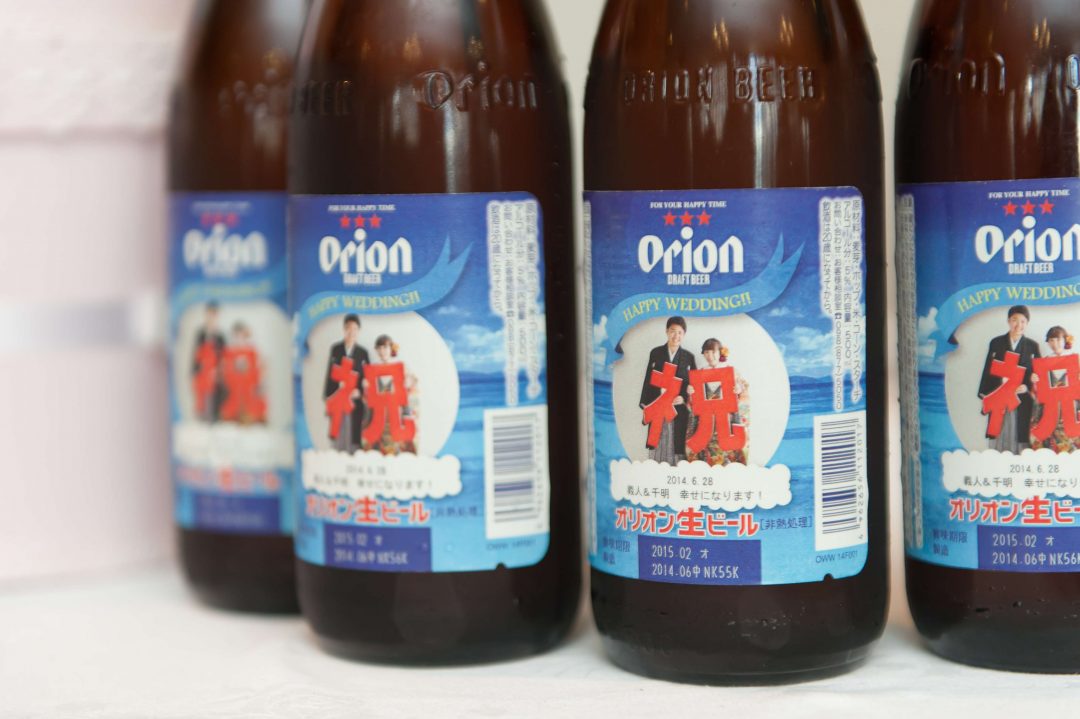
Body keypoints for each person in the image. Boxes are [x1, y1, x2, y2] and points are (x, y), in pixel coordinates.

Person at [978, 305, 1040, 453]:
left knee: (1021, 437)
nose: (1018, 325)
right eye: (1014, 320)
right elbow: (988, 370)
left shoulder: (1032, 346)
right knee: (998, 432)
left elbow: (1038, 376)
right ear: (1008, 321)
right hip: (1000, 396)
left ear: (1027, 323)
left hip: (1022, 399)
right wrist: (985, 393)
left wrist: (1028, 386)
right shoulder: (996, 343)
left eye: (1023, 321)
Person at [639, 316, 696, 464]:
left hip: (678, 408)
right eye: (673, 331)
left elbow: (694, 385)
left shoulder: (689, 357)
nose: (676, 336)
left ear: (684, 334)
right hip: (658, 405)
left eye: (680, 332)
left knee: (677, 446)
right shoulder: (656, 353)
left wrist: (684, 397)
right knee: (657, 441)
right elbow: (648, 378)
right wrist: (645, 403)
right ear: (666, 331)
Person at [687, 338, 749, 466]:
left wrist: (739, 389)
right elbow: (693, 402)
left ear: (720, 352)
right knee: (707, 453)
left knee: (729, 450)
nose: (710, 356)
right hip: (707, 420)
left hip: (727, 419)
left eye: (713, 352)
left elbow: (745, 388)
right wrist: (690, 392)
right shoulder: (700, 373)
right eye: (706, 352)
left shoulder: (731, 371)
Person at [363, 334, 418, 455]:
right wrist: (366, 387)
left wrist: (409, 382)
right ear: (376, 350)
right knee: (378, 443)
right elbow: (368, 393)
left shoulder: (401, 366)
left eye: (385, 347)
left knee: (398, 442)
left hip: (396, 410)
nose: (382, 351)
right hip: (380, 411)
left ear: (391, 348)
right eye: (380, 348)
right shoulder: (373, 368)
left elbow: (414, 381)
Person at [1030, 326, 1080, 453]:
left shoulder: (1075, 360)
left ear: (1065, 340)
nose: (1055, 343)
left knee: (1070, 445)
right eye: (1051, 340)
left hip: (1070, 407)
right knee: (1048, 444)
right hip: (1050, 408)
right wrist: (1035, 381)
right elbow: (1038, 391)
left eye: (1058, 339)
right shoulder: (1044, 362)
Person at [324, 314, 369, 452]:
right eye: (349, 328)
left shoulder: (363, 353)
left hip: (354, 401)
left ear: (358, 331)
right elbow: (330, 374)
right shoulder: (336, 349)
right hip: (338, 398)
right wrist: (330, 394)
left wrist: (360, 392)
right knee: (338, 431)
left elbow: (367, 378)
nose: (351, 332)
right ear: (344, 329)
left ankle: (354, 453)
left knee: (354, 434)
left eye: (355, 329)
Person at [191, 302, 225, 422]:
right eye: (209, 314)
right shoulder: (200, 334)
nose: (211, 317)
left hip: (215, 374)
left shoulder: (220, 336)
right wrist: (195, 371)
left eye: (214, 314)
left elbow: (223, 356)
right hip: (202, 373)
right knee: (201, 400)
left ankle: (214, 417)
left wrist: (219, 371)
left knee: (214, 397)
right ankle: (202, 417)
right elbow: (196, 354)